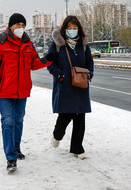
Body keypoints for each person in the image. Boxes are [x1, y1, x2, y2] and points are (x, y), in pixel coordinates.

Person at [0, 13, 56, 172]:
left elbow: (33, 63)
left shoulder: (27, 43)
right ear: (10, 26)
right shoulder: (0, 42)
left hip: (22, 91)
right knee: (8, 122)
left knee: (19, 121)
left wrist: (47, 58)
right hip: (5, 92)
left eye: (23, 25)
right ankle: (10, 158)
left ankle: (16, 148)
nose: (20, 28)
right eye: (17, 25)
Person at [47, 15, 94, 160]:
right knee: (65, 115)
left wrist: (89, 74)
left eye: (75, 28)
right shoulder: (57, 44)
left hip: (81, 85)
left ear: (78, 29)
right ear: (64, 29)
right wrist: (59, 75)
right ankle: (57, 134)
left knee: (80, 117)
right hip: (65, 85)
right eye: (69, 28)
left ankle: (77, 149)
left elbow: (89, 62)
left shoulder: (84, 45)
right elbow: (50, 63)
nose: (72, 30)